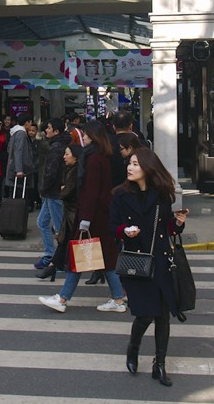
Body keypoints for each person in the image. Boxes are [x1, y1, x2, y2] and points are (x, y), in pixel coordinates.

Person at [110, 147, 188, 386]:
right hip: (137, 262)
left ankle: (159, 365)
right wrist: (124, 231)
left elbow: (167, 230)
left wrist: (178, 223)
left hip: (161, 260)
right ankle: (133, 348)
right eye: (129, 163)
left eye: (135, 164)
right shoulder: (119, 195)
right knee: (145, 315)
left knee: (163, 316)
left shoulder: (162, 195)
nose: (130, 167)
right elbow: (113, 226)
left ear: (147, 168)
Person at [38, 119, 127, 314]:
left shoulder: (94, 158)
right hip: (99, 215)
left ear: (93, 136)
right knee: (102, 258)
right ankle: (117, 298)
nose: (83, 138)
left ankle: (63, 298)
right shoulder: (100, 156)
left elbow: (90, 191)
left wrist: (85, 218)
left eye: (85, 135)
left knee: (80, 258)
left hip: (93, 216)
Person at [36, 143, 81, 281]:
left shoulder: (75, 171)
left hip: (72, 212)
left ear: (76, 157)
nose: (64, 157)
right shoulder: (69, 168)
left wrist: (61, 190)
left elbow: (66, 191)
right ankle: (53, 265)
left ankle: (56, 264)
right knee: (61, 237)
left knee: (66, 238)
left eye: (67, 154)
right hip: (68, 211)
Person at [34, 118, 70, 269]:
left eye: (48, 128)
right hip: (51, 192)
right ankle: (50, 255)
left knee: (58, 227)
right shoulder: (57, 145)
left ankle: (60, 260)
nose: (46, 130)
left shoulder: (56, 148)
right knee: (42, 223)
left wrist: (44, 188)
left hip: (54, 193)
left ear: (56, 131)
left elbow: (51, 172)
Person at [5, 113, 35, 199]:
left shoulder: (15, 132)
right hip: (20, 168)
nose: (31, 124)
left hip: (16, 166)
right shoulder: (21, 134)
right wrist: (19, 170)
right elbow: (18, 151)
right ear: (26, 122)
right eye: (30, 122)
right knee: (20, 194)